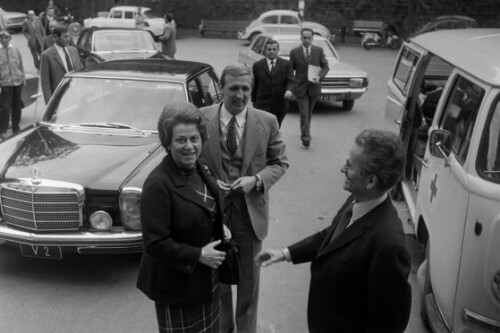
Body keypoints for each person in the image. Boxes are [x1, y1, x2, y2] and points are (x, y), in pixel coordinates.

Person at [255, 129, 412, 333]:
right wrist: (284, 254)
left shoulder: (389, 246)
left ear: (371, 181)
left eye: (349, 166)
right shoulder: (358, 200)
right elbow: (332, 237)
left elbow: (388, 324)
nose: (343, 169)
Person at [199, 64, 289, 333]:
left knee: (250, 281)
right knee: (219, 279)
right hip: (213, 213)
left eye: (245, 89)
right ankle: (223, 328)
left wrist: (256, 180)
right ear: (221, 89)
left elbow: (280, 163)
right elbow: (192, 163)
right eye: (233, 88)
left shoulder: (267, 121)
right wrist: (211, 182)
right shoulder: (201, 119)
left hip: (250, 215)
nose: (240, 95)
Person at [137, 101, 228, 333]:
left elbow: (205, 210)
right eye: (181, 140)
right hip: (177, 288)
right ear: (167, 142)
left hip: (206, 281)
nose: (189, 146)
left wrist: (219, 227)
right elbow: (155, 243)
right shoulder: (158, 184)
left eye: (194, 139)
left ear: (202, 139)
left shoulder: (202, 169)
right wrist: (198, 254)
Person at [289, 28, 329, 148]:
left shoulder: (318, 50)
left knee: (309, 113)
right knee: (304, 113)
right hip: (300, 87)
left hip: (314, 87)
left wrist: (319, 77)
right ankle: (306, 137)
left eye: (309, 37)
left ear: (312, 38)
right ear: (301, 38)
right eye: (304, 37)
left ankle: (306, 129)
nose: (306, 40)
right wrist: (290, 87)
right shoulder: (294, 52)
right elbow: (291, 71)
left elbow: (325, 67)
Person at [251, 39, 294, 127]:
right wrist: (254, 101)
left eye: (274, 49)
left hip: (280, 104)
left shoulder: (286, 64)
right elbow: (255, 83)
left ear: (278, 50)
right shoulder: (258, 65)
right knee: (264, 128)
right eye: (269, 49)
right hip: (262, 104)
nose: (272, 52)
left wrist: (289, 90)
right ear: (265, 51)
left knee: (276, 128)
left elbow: (290, 80)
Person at [40, 24, 82, 104]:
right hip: (60, 98)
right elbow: (45, 83)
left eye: (69, 36)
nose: (68, 39)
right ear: (56, 37)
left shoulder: (74, 51)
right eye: (65, 37)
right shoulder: (47, 55)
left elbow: (80, 72)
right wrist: (50, 104)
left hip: (76, 94)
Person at [0, 30, 25, 140]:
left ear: (10, 38)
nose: (4, 40)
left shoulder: (16, 50)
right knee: (5, 107)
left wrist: (23, 79)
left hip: (17, 82)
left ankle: (16, 127)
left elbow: (21, 65)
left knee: (17, 106)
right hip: (5, 84)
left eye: (6, 38)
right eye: (2, 38)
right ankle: (3, 130)